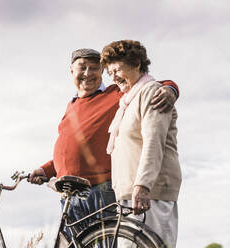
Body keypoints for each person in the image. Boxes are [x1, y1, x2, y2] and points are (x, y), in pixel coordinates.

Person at [28, 48, 179, 234]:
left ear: (101, 72)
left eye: (94, 68)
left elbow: (145, 84)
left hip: (100, 190)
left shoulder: (115, 94)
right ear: (71, 70)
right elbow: (71, 149)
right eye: (82, 68)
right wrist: (46, 170)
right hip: (70, 196)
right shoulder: (71, 105)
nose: (87, 73)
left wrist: (171, 88)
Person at [100, 40, 182, 248]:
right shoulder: (127, 101)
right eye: (110, 73)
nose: (114, 77)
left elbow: (153, 142)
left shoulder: (152, 93)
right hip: (130, 195)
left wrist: (142, 186)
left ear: (136, 63)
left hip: (149, 194)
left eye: (117, 69)